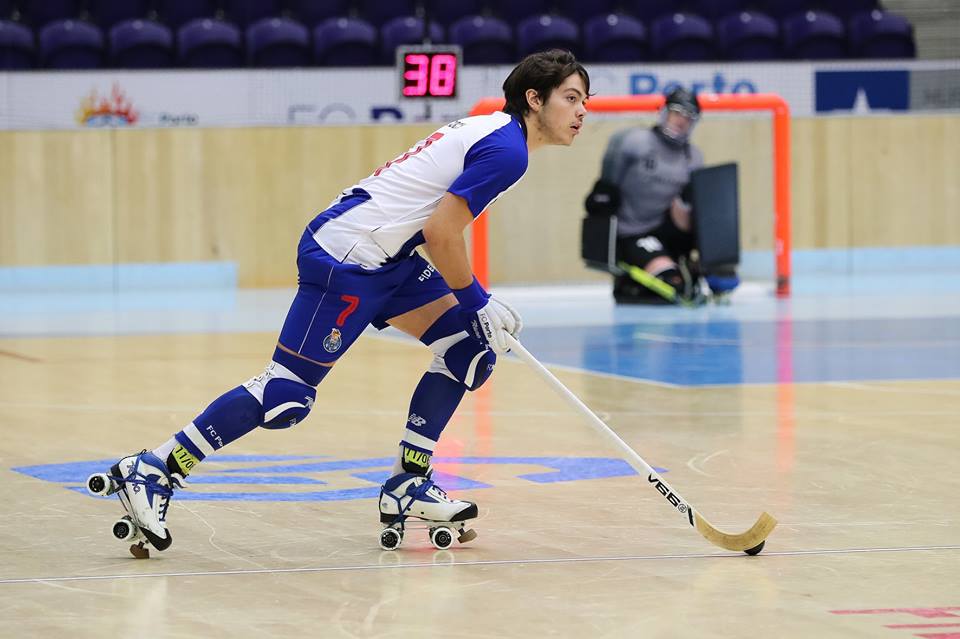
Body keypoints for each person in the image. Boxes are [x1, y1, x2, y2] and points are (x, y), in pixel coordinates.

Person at [88, 49, 590, 553]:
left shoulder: (498, 136)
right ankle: (155, 468)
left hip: (387, 256)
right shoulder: (507, 150)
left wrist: (474, 307)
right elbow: (442, 234)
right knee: (285, 394)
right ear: (534, 99)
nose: (582, 111)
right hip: (347, 255)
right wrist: (477, 300)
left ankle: (408, 482)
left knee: (467, 348)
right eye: (570, 98)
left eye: (584, 100)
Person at [587, 87, 715, 305]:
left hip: (666, 231)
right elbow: (604, 192)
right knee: (674, 285)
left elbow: (689, 211)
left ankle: (676, 264)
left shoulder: (693, 157)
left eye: (688, 117)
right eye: (677, 112)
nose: (681, 121)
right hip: (632, 232)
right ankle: (631, 279)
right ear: (664, 112)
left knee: (708, 278)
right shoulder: (634, 142)